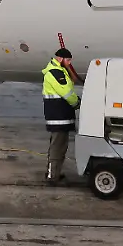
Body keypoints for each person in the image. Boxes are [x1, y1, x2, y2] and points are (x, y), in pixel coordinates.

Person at [41, 47, 81, 185]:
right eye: (68, 60)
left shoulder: (60, 71)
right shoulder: (55, 73)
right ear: (60, 59)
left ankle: (54, 173)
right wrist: (77, 103)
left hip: (61, 115)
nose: (69, 63)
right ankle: (52, 177)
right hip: (58, 116)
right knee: (57, 146)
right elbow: (66, 92)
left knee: (60, 146)